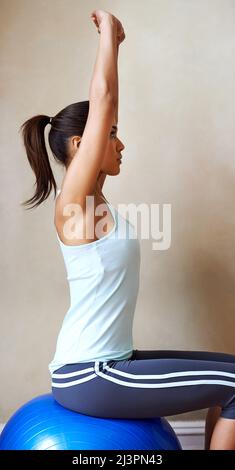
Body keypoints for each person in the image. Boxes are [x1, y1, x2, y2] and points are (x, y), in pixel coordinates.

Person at [20, 9, 235, 450]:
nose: (120, 143)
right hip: (91, 374)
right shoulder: (73, 204)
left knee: (230, 372)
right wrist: (110, 41)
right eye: (110, 134)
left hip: (110, 363)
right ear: (82, 145)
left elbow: (105, 108)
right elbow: (103, 101)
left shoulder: (99, 203)